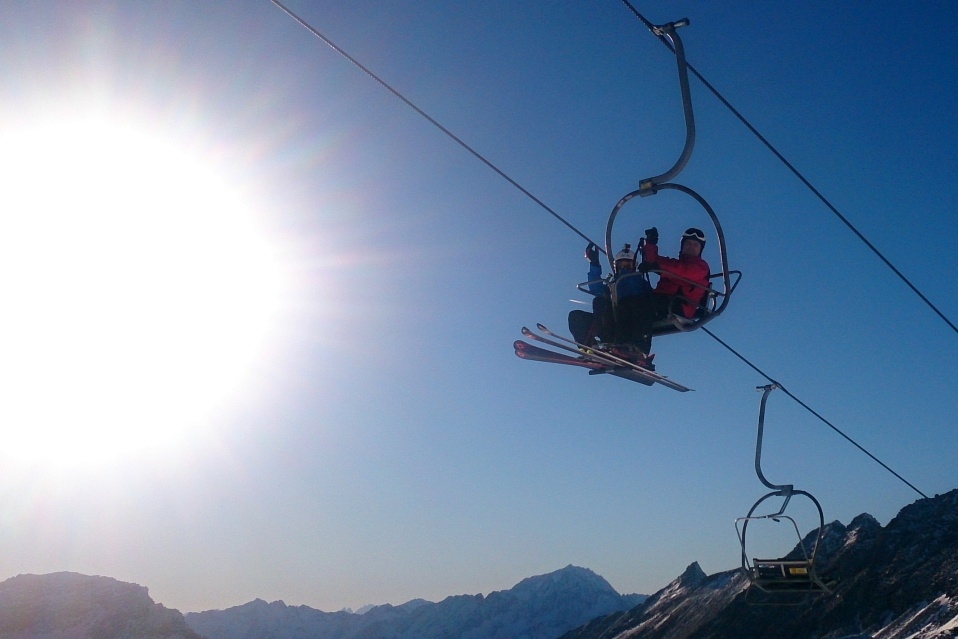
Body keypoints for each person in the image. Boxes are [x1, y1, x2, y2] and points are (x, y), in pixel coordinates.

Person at [633, 226, 711, 355]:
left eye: (695, 245)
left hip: (679, 305)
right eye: (688, 243)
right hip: (662, 301)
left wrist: (658, 266)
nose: (691, 247)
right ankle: (617, 342)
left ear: (700, 249)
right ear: (682, 246)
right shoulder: (672, 263)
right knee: (627, 301)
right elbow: (653, 260)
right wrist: (650, 243)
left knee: (642, 304)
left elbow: (683, 271)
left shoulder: (701, 267)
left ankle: (639, 351)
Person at [568, 242, 651, 353]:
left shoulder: (639, 282)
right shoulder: (612, 285)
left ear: (634, 267)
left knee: (628, 303)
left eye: (628, 266)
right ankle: (590, 347)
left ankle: (635, 349)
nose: (624, 269)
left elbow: (640, 294)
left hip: (631, 320)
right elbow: (595, 288)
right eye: (621, 266)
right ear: (616, 267)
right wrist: (594, 264)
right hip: (611, 323)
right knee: (578, 314)